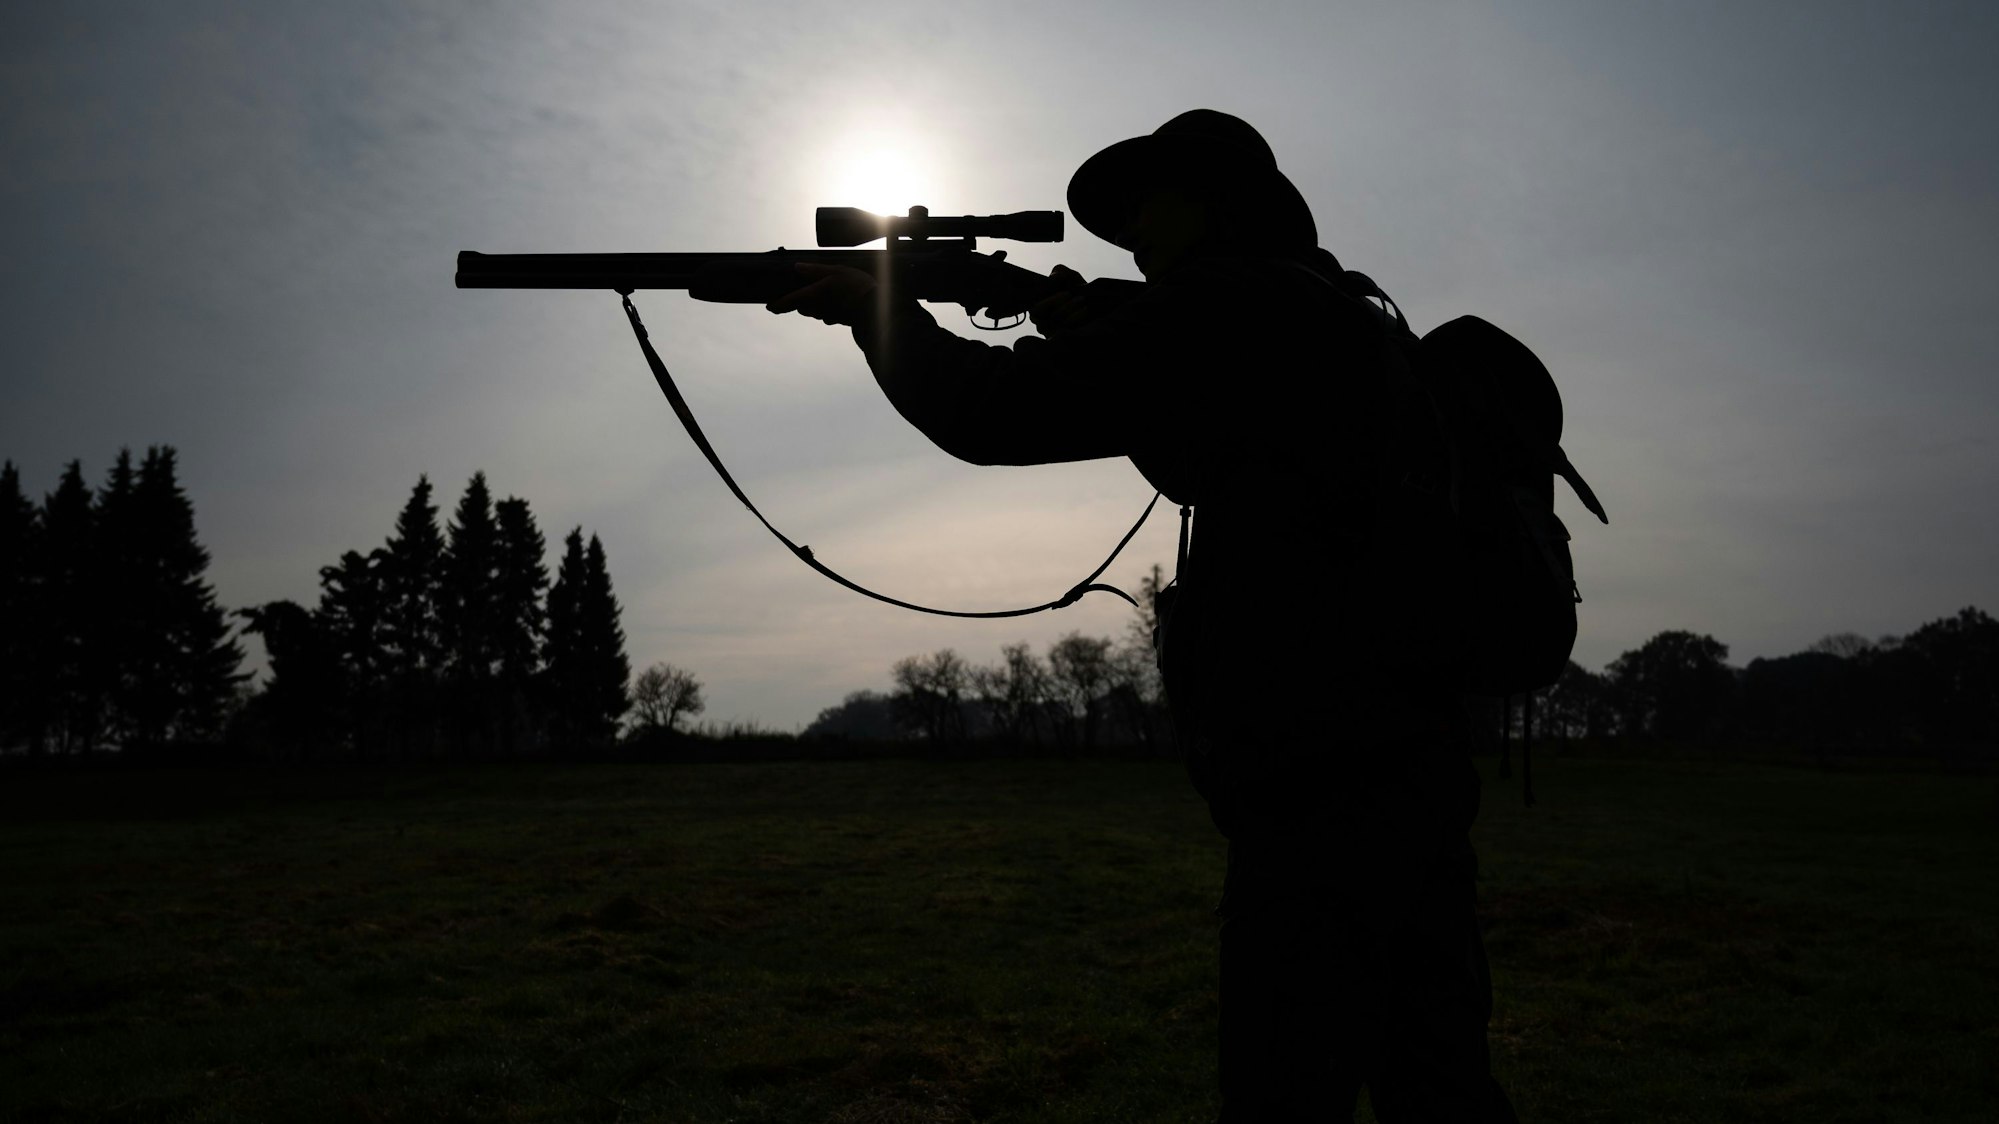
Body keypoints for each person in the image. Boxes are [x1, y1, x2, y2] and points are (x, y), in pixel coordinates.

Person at [767, 109, 1518, 1123]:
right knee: (1440, 1091)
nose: (1132, 234)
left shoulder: (1229, 303)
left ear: (1215, 204)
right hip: (1408, 763)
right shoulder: (1338, 309)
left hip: (1315, 788)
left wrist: (879, 313)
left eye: (1149, 205)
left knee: (1282, 1092)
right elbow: (1198, 441)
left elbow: (993, 410)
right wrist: (1060, 312)